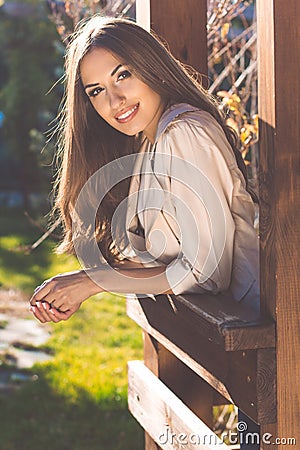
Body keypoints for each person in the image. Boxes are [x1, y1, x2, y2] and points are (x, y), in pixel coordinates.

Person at [30, 15, 260, 447]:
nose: (114, 100)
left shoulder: (185, 132)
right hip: (231, 355)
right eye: (96, 91)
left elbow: (204, 272)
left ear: (150, 65)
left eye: (123, 75)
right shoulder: (152, 139)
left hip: (259, 355)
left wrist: (92, 282)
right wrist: (79, 283)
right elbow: (169, 257)